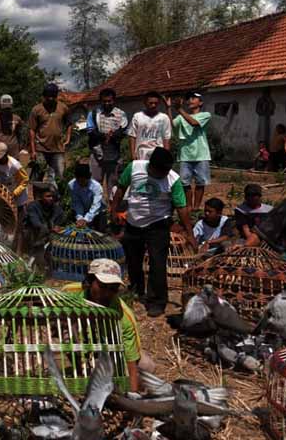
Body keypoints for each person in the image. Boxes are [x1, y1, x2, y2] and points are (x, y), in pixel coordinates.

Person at [109, 147, 192, 317]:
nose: (164, 174)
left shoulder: (173, 180)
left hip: (158, 224)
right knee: (133, 260)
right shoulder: (134, 167)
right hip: (134, 223)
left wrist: (189, 232)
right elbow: (120, 189)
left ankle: (157, 301)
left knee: (157, 264)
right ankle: (137, 290)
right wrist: (113, 211)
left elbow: (181, 207)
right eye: (160, 171)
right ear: (151, 166)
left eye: (166, 171)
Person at [61, 259, 147, 392]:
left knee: (147, 368)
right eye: (102, 286)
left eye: (113, 289)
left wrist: (133, 396)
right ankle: (82, 369)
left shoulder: (123, 316)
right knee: (68, 331)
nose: (107, 293)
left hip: (110, 351)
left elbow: (131, 360)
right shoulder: (69, 293)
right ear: (89, 282)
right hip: (82, 340)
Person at [170, 91, 212, 212]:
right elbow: (171, 124)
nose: (190, 100)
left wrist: (180, 110)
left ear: (201, 102)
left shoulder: (205, 115)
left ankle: (196, 207)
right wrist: (170, 108)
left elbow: (194, 123)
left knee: (200, 183)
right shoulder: (180, 117)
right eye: (189, 98)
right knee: (185, 183)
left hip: (201, 154)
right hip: (185, 154)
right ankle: (189, 207)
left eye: (194, 98)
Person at [86, 88, 128, 200]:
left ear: (114, 100)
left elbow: (123, 131)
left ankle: (113, 211)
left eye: (109, 101)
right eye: (104, 101)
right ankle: (97, 210)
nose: (107, 103)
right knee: (95, 184)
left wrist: (112, 136)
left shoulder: (121, 114)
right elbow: (90, 131)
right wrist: (105, 136)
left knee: (113, 184)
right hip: (97, 153)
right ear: (101, 101)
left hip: (114, 155)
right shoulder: (94, 113)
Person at [28, 83, 71, 184]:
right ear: (44, 96)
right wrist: (33, 150)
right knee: (38, 177)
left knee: (59, 177)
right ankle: (37, 198)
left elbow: (69, 123)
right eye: (48, 96)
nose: (51, 99)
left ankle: (57, 199)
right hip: (41, 149)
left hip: (58, 149)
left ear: (56, 96)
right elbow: (32, 130)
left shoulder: (63, 108)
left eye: (53, 96)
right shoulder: (36, 109)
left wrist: (68, 138)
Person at [20, 182, 64, 269]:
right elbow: (36, 223)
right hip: (33, 234)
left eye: (52, 196)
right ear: (41, 197)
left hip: (47, 234)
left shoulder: (55, 208)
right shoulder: (33, 206)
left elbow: (60, 218)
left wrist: (57, 227)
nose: (51, 199)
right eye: (48, 196)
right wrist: (51, 229)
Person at [128, 91, 171, 161]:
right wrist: (133, 154)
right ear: (145, 102)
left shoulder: (164, 118)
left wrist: (166, 156)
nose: (153, 105)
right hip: (141, 153)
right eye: (151, 103)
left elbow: (166, 138)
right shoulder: (137, 116)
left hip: (158, 153)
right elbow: (132, 136)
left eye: (156, 103)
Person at [0, 142, 29, 210]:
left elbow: (25, 180)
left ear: (6, 154)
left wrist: (15, 193)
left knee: (20, 212)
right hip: (3, 191)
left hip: (17, 192)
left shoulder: (15, 166)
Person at [0, 94, 25, 159]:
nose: (6, 111)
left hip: (13, 154)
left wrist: (20, 147)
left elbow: (20, 134)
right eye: (4, 108)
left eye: (8, 108)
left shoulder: (17, 119)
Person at [69, 163, 105, 231]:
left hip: (97, 212)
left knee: (99, 232)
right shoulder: (72, 185)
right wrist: (80, 218)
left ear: (88, 178)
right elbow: (76, 202)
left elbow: (96, 205)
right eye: (78, 181)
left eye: (83, 181)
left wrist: (86, 219)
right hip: (82, 211)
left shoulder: (96, 186)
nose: (81, 183)